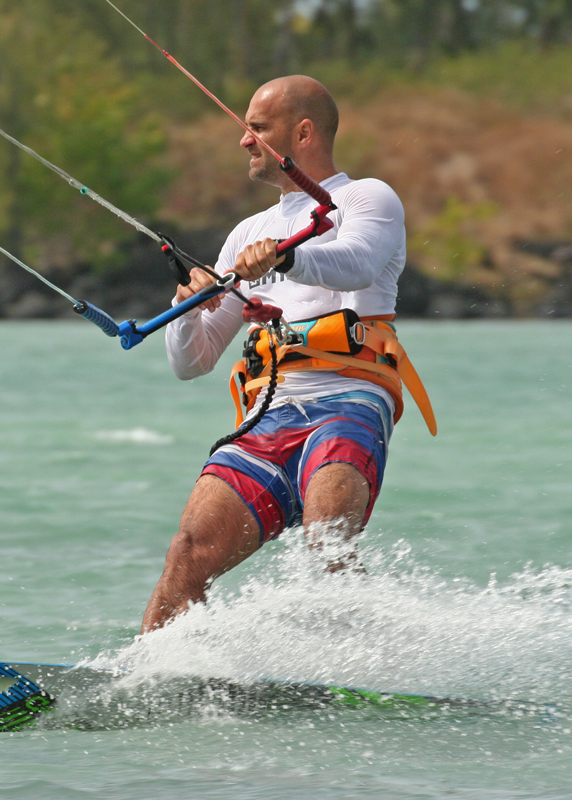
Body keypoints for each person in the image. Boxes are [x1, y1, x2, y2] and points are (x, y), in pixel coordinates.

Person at [141, 75, 413, 634]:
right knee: (187, 553)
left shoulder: (367, 198)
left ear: (303, 132)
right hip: (269, 418)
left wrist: (285, 261)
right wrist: (188, 308)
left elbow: (358, 262)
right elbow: (190, 363)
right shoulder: (248, 233)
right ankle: (148, 679)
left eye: (257, 129)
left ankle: (371, 662)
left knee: (326, 533)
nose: (244, 140)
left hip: (348, 402)